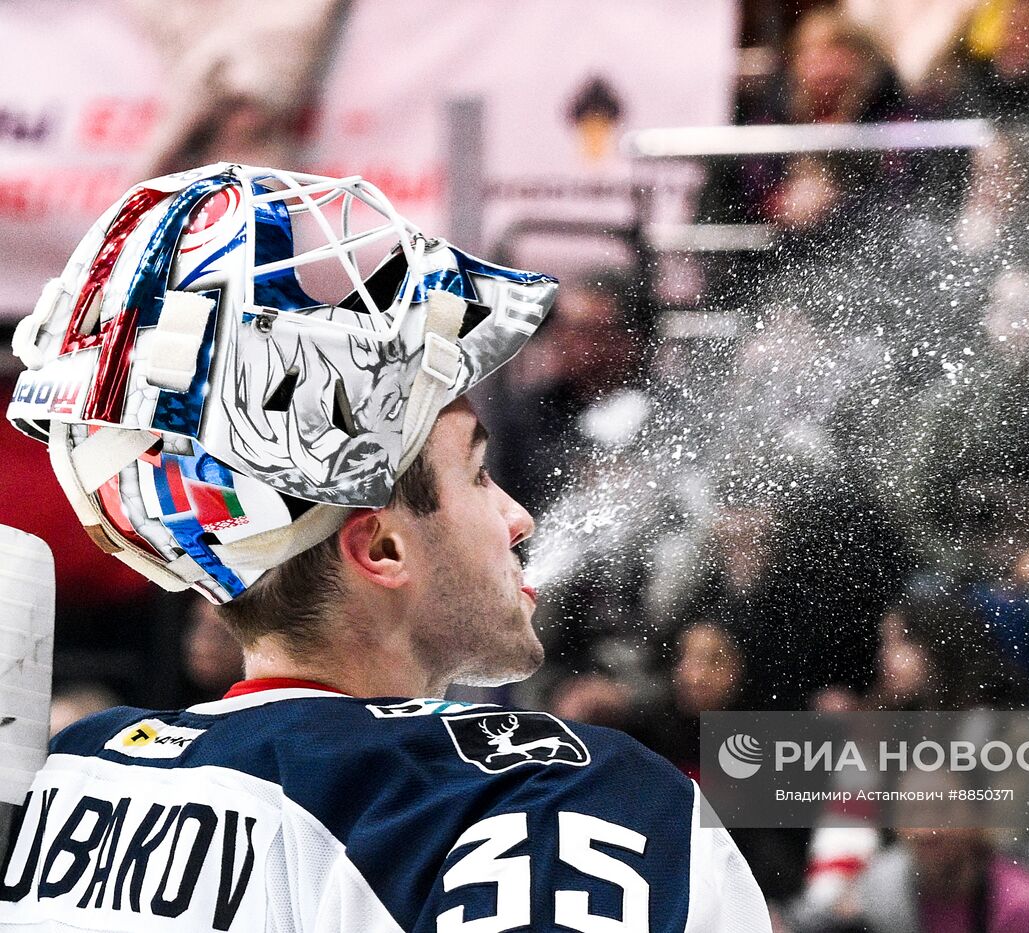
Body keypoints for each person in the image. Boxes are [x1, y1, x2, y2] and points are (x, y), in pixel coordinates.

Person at [0, 163, 768, 931]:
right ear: (383, 549)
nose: (519, 516)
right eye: (477, 472)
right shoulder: (558, 798)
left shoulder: (74, 776)